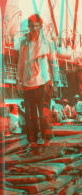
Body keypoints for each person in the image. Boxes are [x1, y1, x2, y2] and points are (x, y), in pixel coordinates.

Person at [16, 14, 59, 147]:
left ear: (41, 27)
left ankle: (47, 139)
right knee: (30, 115)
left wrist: (54, 82)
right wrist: (19, 81)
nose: (35, 29)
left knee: (44, 113)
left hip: (43, 83)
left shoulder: (47, 42)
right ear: (29, 27)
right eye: (32, 26)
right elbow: (21, 63)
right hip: (28, 84)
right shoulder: (24, 43)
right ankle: (33, 141)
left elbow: (53, 63)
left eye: (37, 27)